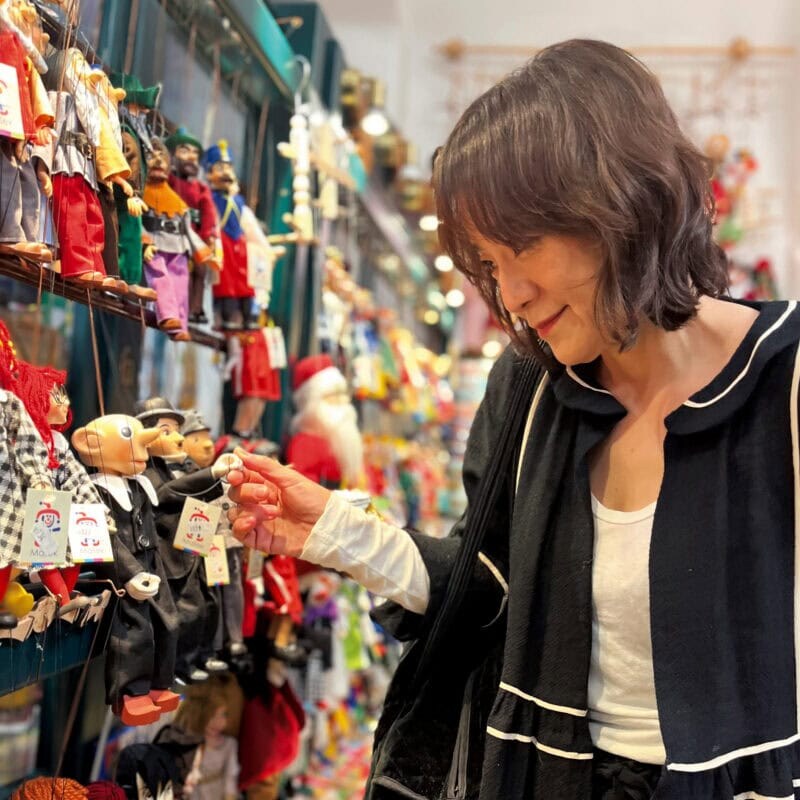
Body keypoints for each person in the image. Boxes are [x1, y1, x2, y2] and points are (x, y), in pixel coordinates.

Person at [225, 39, 800, 800]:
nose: (512, 295)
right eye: (491, 266)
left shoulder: (781, 379)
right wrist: (335, 531)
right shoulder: (531, 386)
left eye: (525, 245)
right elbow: (488, 586)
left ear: (623, 202)